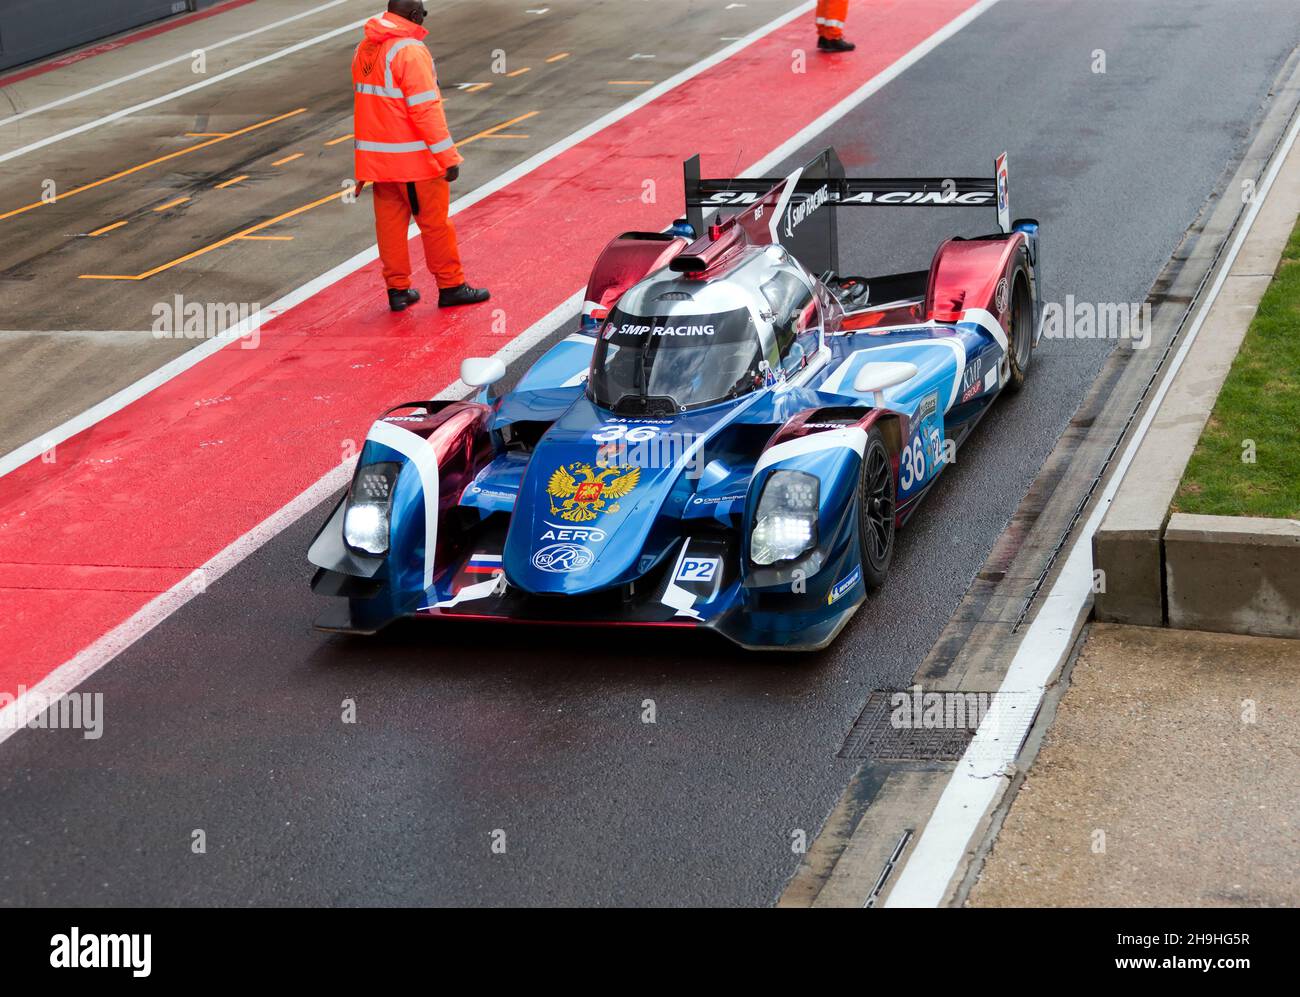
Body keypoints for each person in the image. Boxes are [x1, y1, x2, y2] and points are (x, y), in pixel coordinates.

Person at [352, 1, 489, 312]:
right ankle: (451, 285)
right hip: (414, 164)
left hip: (378, 164)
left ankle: (398, 291)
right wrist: (447, 157)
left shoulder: (365, 48)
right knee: (435, 225)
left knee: (390, 230)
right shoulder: (410, 51)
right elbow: (425, 109)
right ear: (414, 16)